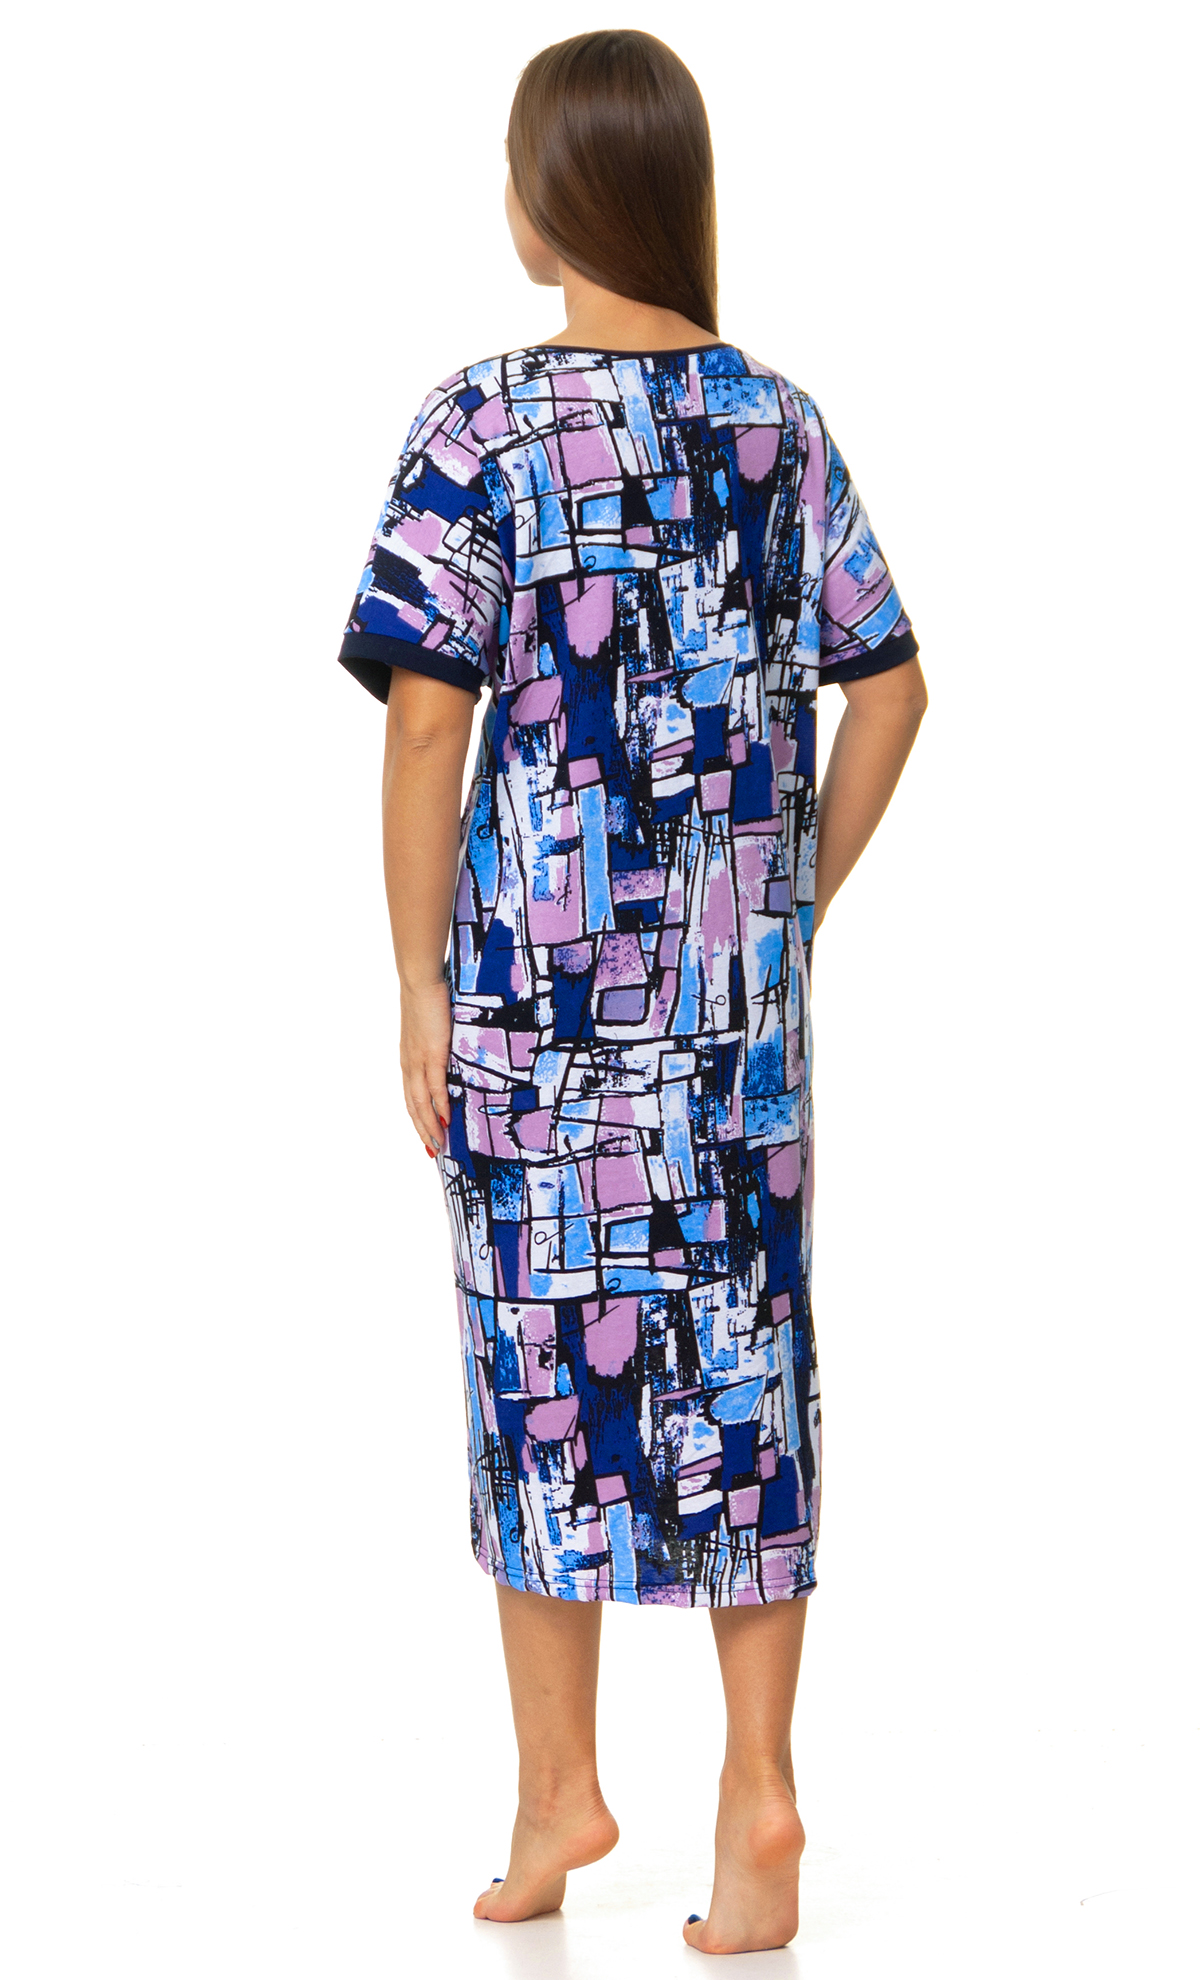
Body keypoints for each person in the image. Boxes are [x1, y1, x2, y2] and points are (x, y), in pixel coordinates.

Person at [336, 28, 927, 1957]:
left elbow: (425, 730)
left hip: (535, 1015)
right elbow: (894, 687)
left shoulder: (482, 427)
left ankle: (556, 1790)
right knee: (746, 1372)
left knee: (539, 1370)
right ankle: (756, 1797)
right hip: (737, 1040)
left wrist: (415, 980)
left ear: (544, 203)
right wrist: (786, 904)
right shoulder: (780, 423)